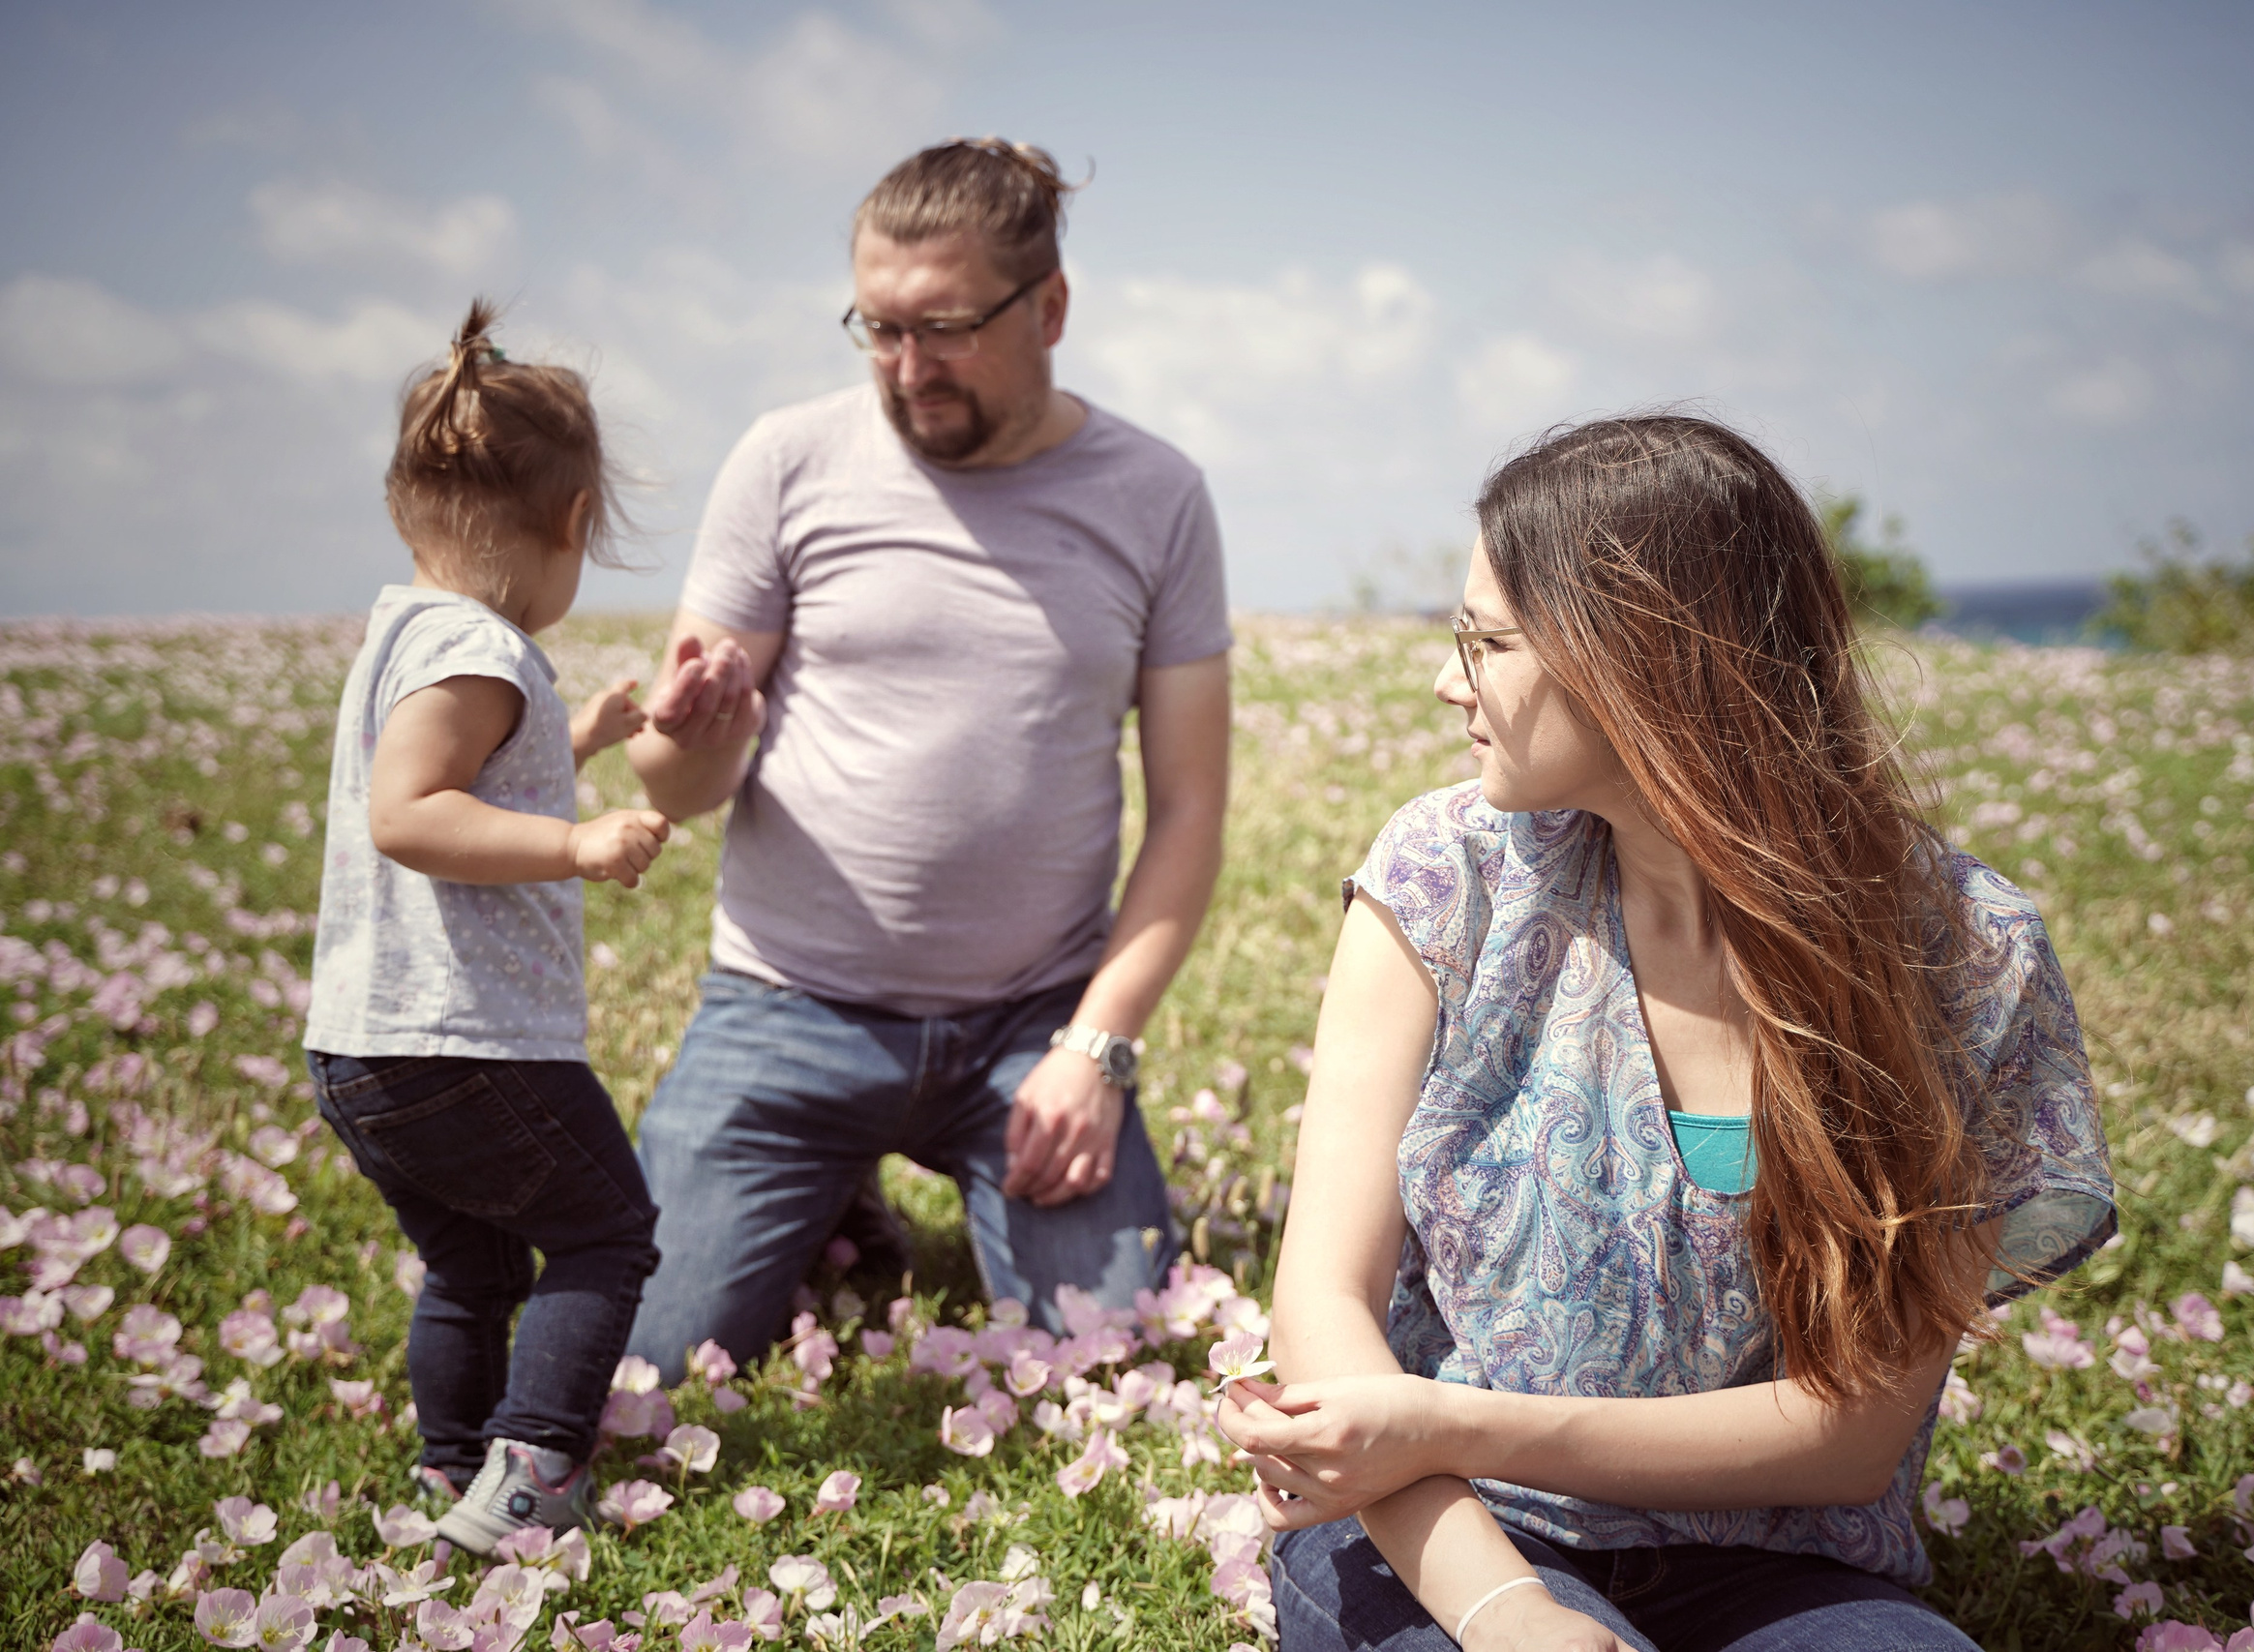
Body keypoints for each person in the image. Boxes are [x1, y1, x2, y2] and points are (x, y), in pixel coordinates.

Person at [1218, 414, 2115, 1652]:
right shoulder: (1443, 880)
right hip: (1444, 1525)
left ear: (1639, 666)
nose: (1445, 683)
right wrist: (1502, 1609)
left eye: (1485, 645)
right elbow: (1322, 1300)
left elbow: (1848, 1438)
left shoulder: (1962, 955)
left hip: (1781, 1561)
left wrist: (1443, 1417)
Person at [621, 138, 1231, 1382]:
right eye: (879, 328)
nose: (909, 370)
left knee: (1114, 1365)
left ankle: (836, 1197)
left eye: (945, 328)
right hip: (787, 1012)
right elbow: (676, 790)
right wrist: (690, 742)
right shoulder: (785, 462)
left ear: (1049, 305)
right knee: (640, 1367)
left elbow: (1190, 812)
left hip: (1031, 1024)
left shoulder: (1158, 495)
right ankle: (823, 1183)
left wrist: (1094, 1050)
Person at [303, 301, 670, 1552]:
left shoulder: (407, 635)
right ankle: (531, 1479)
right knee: (607, 1226)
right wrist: (575, 842)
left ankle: (446, 1468)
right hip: (465, 1042)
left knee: (473, 1266)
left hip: (367, 1045)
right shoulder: (479, 646)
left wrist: (586, 740)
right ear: (574, 524)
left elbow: (477, 774)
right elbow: (414, 813)